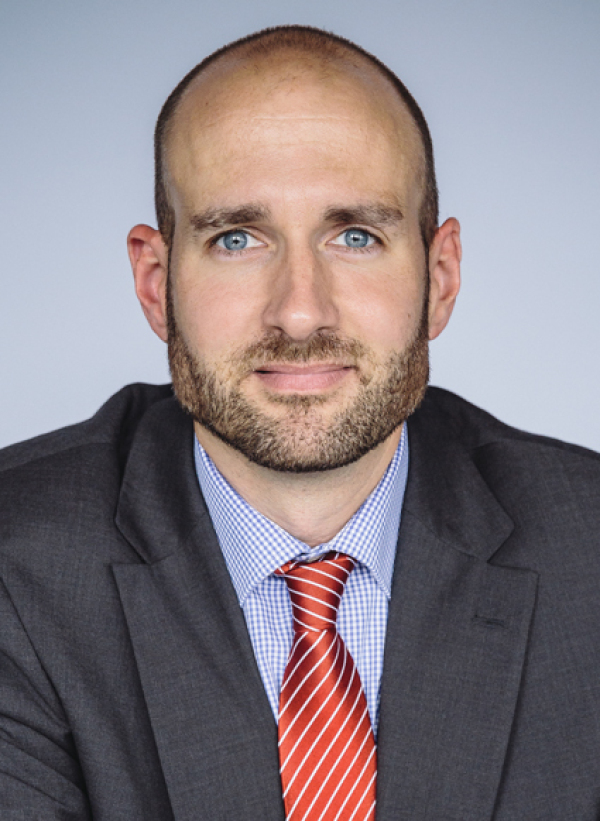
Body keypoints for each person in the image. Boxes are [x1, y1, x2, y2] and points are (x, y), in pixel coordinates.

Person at [1, 23, 599, 821]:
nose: (299, 311)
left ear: (441, 276)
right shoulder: (16, 566)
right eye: (237, 239)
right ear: (155, 282)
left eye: (355, 236)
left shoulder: (589, 550)